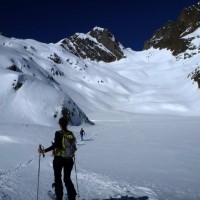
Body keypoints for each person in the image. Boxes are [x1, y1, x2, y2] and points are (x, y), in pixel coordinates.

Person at [38, 117, 77, 200]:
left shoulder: (58, 133)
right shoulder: (71, 133)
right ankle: (72, 197)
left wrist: (43, 151)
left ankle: (59, 197)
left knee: (58, 178)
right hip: (69, 159)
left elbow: (56, 145)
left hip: (59, 159)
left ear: (60, 124)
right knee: (67, 179)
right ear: (67, 124)